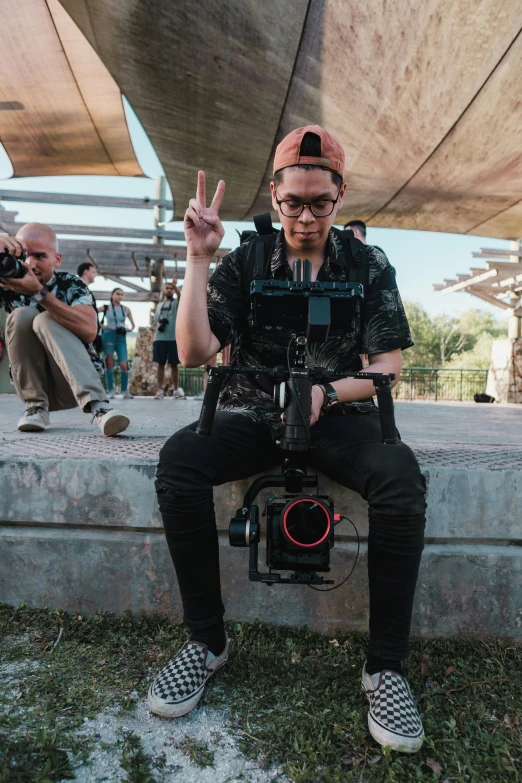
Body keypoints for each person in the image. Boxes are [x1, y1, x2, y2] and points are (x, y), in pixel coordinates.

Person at [150, 126, 426, 754]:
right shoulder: (245, 260)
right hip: (251, 410)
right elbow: (195, 351)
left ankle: (385, 668)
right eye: (292, 203)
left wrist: (328, 394)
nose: (305, 218)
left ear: (340, 194)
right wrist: (197, 258)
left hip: (338, 414)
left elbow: (385, 365)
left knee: (401, 478)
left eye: (319, 202)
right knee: (179, 462)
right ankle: (206, 642)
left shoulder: (369, 262)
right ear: (273, 198)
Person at [0, 223, 130, 436]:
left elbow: (89, 330)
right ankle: (35, 408)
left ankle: (99, 408)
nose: (30, 264)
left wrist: (39, 293)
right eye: (24, 256)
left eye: (40, 256)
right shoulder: (7, 284)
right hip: (32, 385)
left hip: (74, 384)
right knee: (22, 315)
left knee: (45, 319)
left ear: (57, 259)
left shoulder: (70, 283)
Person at [99, 288, 135, 399]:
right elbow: (91, 313)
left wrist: (129, 329)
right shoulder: (106, 307)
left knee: (124, 364)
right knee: (109, 362)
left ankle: (125, 391)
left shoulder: (126, 309)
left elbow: (133, 325)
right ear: (112, 295)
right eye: (117, 294)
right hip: (109, 334)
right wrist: (101, 325)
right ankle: (111, 390)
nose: (120, 296)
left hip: (121, 336)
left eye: (122, 294)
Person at [153, 280, 184, 399]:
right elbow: (157, 322)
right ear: (163, 289)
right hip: (160, 338)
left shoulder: (176, 303)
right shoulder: (159, 306)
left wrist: (176, 288)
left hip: (174, 338)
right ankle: (159, 390)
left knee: (174, 364)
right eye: (167, 288)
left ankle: (176, 390)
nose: (169, 290)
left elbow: (181, 297)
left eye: (171, 288)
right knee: (160, 364)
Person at [77, 261, 103, 354]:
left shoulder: (84, 290)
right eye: (93, 272)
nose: (95, 275)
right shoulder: (78, 289)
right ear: (86, 272)